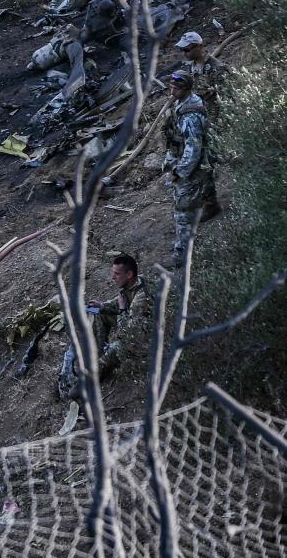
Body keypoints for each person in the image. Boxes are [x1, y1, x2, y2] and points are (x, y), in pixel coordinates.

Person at [58, 254, 152, 401]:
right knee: (100, 314)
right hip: (135, 324)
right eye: (112, 272)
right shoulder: (131, 284)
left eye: (116, 274)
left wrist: (121, 310)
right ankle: (96, 360)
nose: (112, 277)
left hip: (147, 336)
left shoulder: (141, 297)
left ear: (129, 274)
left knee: (118, 346)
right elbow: (120, 302)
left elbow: (128, 332)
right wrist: (102, 306)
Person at [162, 71, 219, 266]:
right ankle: (212, 204)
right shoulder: (185, 102)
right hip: (197, 162)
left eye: (176, 88)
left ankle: (182, 255)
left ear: (186, 89)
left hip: (191, 166)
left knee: (183, 211)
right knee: (205, 184)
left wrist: (180, 171)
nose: (172, 90)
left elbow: (193, 147)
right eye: (171, 87)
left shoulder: (190, 115)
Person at [176, 31, 227, 119]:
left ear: (199, 47)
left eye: (187, 50)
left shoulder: (217, 68)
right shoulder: (191, 67)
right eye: (181, 50)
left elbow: (225, 98)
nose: (183, 53)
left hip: (214, 117)